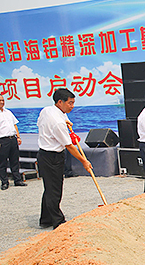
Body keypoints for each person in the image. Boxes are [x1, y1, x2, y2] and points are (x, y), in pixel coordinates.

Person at [37, 88, 92, 229]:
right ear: (60, 102)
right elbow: (70, 146)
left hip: (44, 154)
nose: (72, 106)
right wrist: (84, 161)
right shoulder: (57, 123)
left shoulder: (47, 110)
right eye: (70, 103)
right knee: (54, 190)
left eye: (73, 103)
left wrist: (68, 122)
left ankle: (45, 219)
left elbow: (62, 117)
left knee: (49, 188)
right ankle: (58, 221)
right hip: (52, 156)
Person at [0, 95, 27, 190]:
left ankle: (17, 180)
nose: (2, 102)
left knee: (15, 161)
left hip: (13, 139)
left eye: (3, 100)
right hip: (2, 140)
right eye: (0, 100)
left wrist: (18, 137)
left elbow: (15, 125)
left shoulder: (8, 112)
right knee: (2, 162)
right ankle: (4, 182)